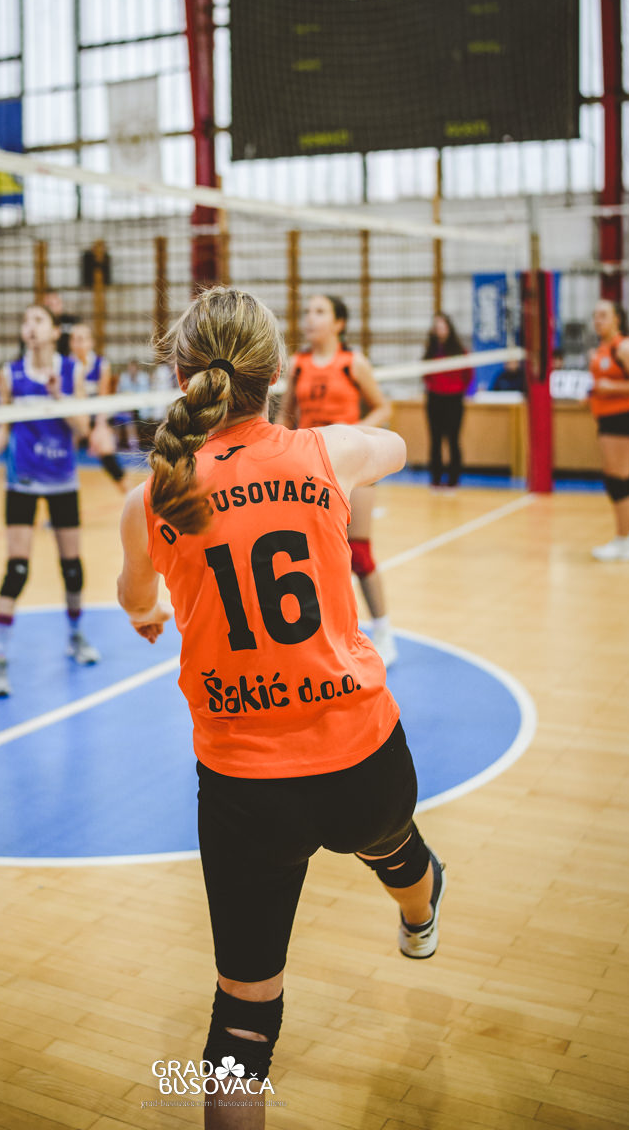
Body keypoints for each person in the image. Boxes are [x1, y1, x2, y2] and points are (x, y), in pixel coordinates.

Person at [117, 287, 445, 1130]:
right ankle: (419, 914)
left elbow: (135, 597)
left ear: (183, 377)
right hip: (362, 754)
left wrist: (150, 613)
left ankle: (409, 897)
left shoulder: (153, 495)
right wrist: (346, 449)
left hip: (243, 785)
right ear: (274, 376)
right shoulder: (325, 453)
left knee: (243, 1019)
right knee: (392, 846)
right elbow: (397, 445)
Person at [0, 304, 100, 695]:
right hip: (23, 481)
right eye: (25, 320)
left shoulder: (72, 371)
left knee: (72, 568)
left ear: (53, 332)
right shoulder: (10, 374)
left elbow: (82, 429)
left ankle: (76, 637)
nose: (29, 327)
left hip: (63, 480)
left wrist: (58, 396)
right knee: (17, 569)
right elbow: (4, 426)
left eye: (38, 320)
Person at [278, 294, 399, 668]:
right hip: (310, 466)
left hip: (350, 464)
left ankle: (384, 631)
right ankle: (327, 634)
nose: (310, 319)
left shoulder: (352, 362)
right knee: (312, 555)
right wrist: (279, 450)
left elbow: (383, 406)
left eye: (319, 312)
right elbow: (285, 414)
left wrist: (355, 434)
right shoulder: (297, 364)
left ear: (338, 323)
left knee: (358, 553)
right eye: (307, 312)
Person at [588, 300, 629, 561]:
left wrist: (609, 388)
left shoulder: (624, 347)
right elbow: (604, 383)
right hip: (607, 417)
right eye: (595, 316)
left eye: (603, 315)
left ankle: (622, 541)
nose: (598, 320)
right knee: (625, 477)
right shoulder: (603, 348)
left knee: (617, 479)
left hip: (621, 418)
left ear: (617, 319)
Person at [69, 322, 128, 494]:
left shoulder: (101, 364)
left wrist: (99, 428)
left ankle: (128, 493)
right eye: (74, 339)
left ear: (91, 342)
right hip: (72, 419)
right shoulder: (66, 365)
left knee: (107, 454)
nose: (77, 343)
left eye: (82, 339)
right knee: (63, 456)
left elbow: (103, 397)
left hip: (96, 418)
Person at [422, 313, 473, 490]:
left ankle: (453, 480)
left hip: (454, 399)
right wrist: (434, 387)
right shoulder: (431, 351)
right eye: (437, 327)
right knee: (435, 440)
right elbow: (425, 373)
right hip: (435, 398)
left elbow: (468, 374)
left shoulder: (459, 351)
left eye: (443, 326)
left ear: (449, 328)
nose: (440, 330)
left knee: (453, 439)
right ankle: (435, 479)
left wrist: (458, 389)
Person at [114, 358, 152, 451]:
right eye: (129, 367)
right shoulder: (124, 377)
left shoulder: (143, 378)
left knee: (129, 418)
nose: (131, 369)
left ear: (137, 368)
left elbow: (145, 395)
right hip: (125, 406)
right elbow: (118, 393)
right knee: (118, 418)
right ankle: (116, 443)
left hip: (140, 407)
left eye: (133, 367)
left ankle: (133, 445)